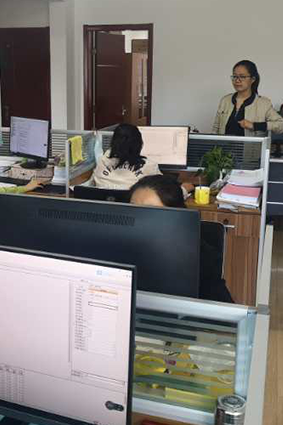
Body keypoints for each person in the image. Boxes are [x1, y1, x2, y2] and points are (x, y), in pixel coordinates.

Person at [130, 175, 233, 303]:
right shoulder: (122, 246)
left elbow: (221, 308)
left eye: (150, 211)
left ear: (176, 215)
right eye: (133, 209)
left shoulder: (200, 257)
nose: (140, 219)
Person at [212, 60, 283, 136]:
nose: (237, 80)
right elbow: (215, 129)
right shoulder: (225, 100)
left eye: (242, 77)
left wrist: (254, 125)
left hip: (251, 144)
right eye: (234, 76)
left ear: (252, 79)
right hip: (224, 144)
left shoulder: (263, 103)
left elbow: (281, 125)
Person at [92, 123, 162, 189]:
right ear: (139, 144)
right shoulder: (150, 167)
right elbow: (163, 189)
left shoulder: (101, 163)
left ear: (113, 142)